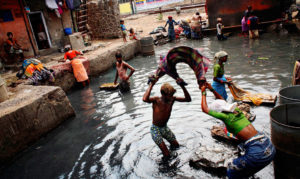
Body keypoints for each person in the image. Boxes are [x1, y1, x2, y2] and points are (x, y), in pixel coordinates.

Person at [201, 82, 275, 179]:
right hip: (268, 145)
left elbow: (204, 109)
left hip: (257, 153)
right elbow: (222, 101)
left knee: (231, 171)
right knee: (243, 159)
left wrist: (203, 92)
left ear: (218, 112)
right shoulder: (236, 111)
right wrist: (211, 89)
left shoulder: (225, 117)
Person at [143, 78, 191, 161]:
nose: (171, 97)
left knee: (176, 146)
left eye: (172, 95)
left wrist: (182, 86)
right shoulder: (156, 100)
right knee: (167, 154)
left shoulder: (172, 100)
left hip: (164, 128)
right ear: (163, 94)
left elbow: (188, 99)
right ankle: (165, 167)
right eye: (170, 95)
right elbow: (145, 99)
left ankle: (173, 157)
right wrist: (151, 84)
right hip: (155, 130)